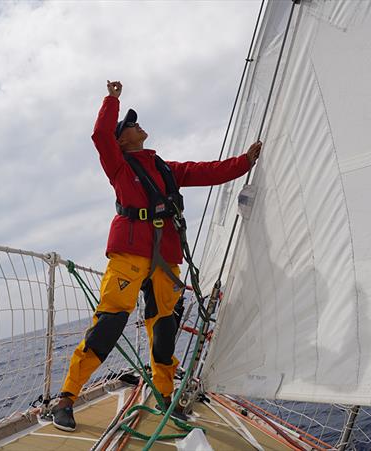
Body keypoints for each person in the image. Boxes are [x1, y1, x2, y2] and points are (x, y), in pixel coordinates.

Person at [51, 80, 262, 431]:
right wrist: (112, 100)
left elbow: (206, 171)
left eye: (133, 121)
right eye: (130, 125)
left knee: (165, 329)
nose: (136, 124)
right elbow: (100, 135)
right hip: (129, 255)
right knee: (109, 324)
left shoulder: (164, 168)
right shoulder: (118, 165)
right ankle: (66, 399)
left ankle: (165, 398)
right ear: (122, 141)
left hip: (166, 257)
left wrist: (245, 162)